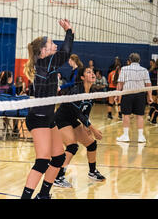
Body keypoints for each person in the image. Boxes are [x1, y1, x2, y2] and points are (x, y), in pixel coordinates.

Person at [21, 19, 74, 199]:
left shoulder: (45, 64)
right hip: (39, 117)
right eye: (52, 43)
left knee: (58, 159)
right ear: (43, 51)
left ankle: (43, 195)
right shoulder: (45, 63)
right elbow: (66, 52)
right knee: (43, 161)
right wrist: (69, 31)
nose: (55, 45)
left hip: (49, 118)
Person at [53, 67, 105, 188]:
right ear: (82, 77)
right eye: (88, 72)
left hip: (72, 119)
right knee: (72, 146)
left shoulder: (91, 92)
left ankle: (92, 172)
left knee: (91, 144)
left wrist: (86, 126)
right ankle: (58, 177)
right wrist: (93, 129)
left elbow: (86, 111)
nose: (92, 73)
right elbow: (79, 114)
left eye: (92, 72)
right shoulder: (76, 91)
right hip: (61, 119)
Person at [116, 53, 153, 143]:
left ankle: (125, 136)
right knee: (140, 116)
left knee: (126, 115)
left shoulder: (124, 69)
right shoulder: (144, 70)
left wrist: (117, 95)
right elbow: (148, 84)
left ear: (129, 60)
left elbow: (120, 83)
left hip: (127, 94)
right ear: (139, 60)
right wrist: (150, 96)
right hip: (140, 95)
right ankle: (140, 137)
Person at [148, 58, 158, 126]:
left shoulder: (152, 70)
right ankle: (154, 120)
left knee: (154, 104)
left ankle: (149, 115)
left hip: (153, 88)